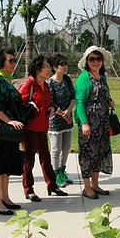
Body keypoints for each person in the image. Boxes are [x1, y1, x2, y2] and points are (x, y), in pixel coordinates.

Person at [18, 55, 68, 201]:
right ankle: (28, 189)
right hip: (29, 129)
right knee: (29, 161)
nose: (48, 70)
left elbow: (48, 103)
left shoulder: (45, 85)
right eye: (45, 67)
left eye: (49, 67)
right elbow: (18, 104)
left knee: (46, 159)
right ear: (37, 68)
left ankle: (52, 185)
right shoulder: (28, 84)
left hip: (42, 128)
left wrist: (52, 107)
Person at [0, 48, 25, 215]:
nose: (14, 63)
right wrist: (9, 121)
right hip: (2, 130)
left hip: (10, 130)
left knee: (6, 166)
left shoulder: (6, 80)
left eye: (14, 60)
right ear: (1, 62)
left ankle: (5, 197)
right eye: (10, 60)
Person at [74, 46, 115, 199]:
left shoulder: (102, 77)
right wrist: (84, 123)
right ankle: (86, 187)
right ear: (86, 61)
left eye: (98, 59)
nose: (95, 62)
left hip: (103, 123)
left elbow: (104, 94)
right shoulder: (84, 77)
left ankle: (95, 184)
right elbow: (79, 102)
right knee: (87, 154)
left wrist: (110, 101)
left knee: (99, 152)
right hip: (89, 123)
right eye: (92, 59)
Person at [46, 53, 75, 187]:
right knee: (56, 149)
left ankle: (62, 171)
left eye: (66, 64)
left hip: (68, 120)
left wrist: (68, 111)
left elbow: (73, 97)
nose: (65, 67)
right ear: (55, 67)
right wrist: (62, 114)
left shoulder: (67, 80)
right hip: (55, 121)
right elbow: (50, 102)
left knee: (66, 148)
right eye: (62, 64)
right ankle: (56, 175)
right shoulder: (50, 83)